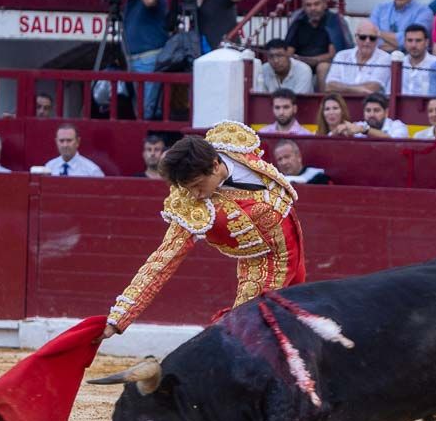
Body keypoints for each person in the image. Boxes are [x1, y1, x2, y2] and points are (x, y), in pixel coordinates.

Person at [101, 122, 304, 338]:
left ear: (215, 164)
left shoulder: (234, 145)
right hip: (263, 266)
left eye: (198, 184)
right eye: (188, 189)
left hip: (297, 250)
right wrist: (119, 318)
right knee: (245, 336)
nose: (196, 195)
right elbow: (162, 261)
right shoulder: (192, 206)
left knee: (298, 322)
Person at [116, 0, 167, 119]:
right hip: (132, 59)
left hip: (149, 58)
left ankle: (152, 141)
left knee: (148, 108)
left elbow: (150, 0)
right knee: (137, 107)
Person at [285, 0, 352, 89]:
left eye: (316, 4)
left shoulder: (333, 21)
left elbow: (332, 54)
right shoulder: (298, 21)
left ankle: (323, 102)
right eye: (308, 5)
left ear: (324, 4)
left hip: (327, 64)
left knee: (322, 67)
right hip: (301, 62)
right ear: (303, 6)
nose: (313, 8)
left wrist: (312, 60)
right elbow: (289, 51)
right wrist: (297, 60)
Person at [369, 0, 433, 52]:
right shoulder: (380, 9)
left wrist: (379, 33)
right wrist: (400, 45)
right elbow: (370, 38)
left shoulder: (424, 12)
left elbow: (414, 43)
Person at [325, 18, 391, 94]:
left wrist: (342, 88)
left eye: (372, 38)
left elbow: (373, 87)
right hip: (341, 103)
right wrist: (357, 90)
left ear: (378, 40)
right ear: (356, 37)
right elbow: (329, 86)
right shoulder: (341, 56)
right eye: (363, 37)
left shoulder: (385, 58)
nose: (367, 41)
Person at [331, 92, 408, 138]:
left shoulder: (397, 126)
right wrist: (338, 131)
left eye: (376, 110)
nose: (371, 114)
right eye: (368, 110)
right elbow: (329, 137)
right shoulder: (358, 126)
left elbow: (393, 141)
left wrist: (364, 130)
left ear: (386, 112)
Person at [399, 22, 436, 95]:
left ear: (427, 42)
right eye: (410, 40)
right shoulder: (398, 63)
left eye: (418, 40)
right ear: (404, 42)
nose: (413, 45)